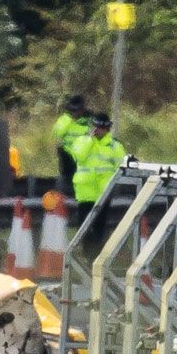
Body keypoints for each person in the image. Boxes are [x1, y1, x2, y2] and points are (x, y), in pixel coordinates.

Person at [69, 113, 127, 246]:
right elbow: (79, 156)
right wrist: (89, 139)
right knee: (84, 228)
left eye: (101, 127)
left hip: (104, 192)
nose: (98, 130)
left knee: (99, 228)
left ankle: (94, 254)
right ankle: (85, 252)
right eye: (96, 126)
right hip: (85, 193)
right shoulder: (82, 141)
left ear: (107, 129)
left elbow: (122, 165)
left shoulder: (114, 145)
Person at [51, 95, 90, 195]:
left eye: (78, 110)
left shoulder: (88, 120)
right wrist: (69, 122)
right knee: (66, 177)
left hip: (83, 155)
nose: (76, 113)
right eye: (73, 110)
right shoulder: (64, 120)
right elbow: (56, 134)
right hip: (67, 154)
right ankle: (62, 196)